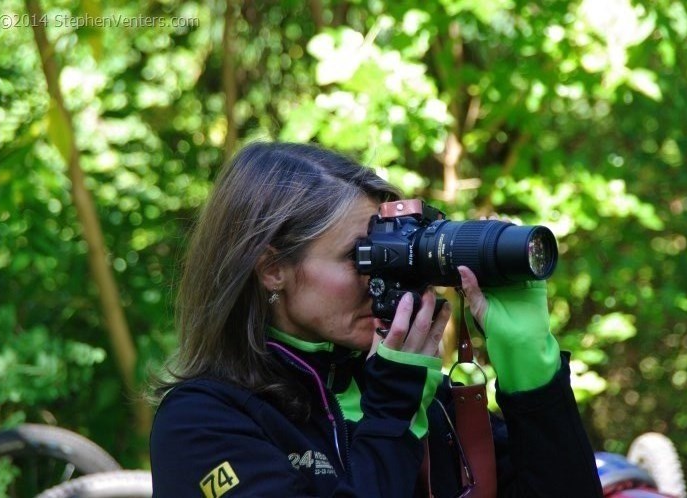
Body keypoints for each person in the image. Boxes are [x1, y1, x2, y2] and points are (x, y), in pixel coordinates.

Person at [149, 141, 603, 497]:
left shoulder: (427, 400)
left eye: (387, 254)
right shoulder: (202, 422)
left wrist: (531, 366)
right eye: (359, 256)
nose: (382, 276)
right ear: (272, 269)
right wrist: (393, 416)